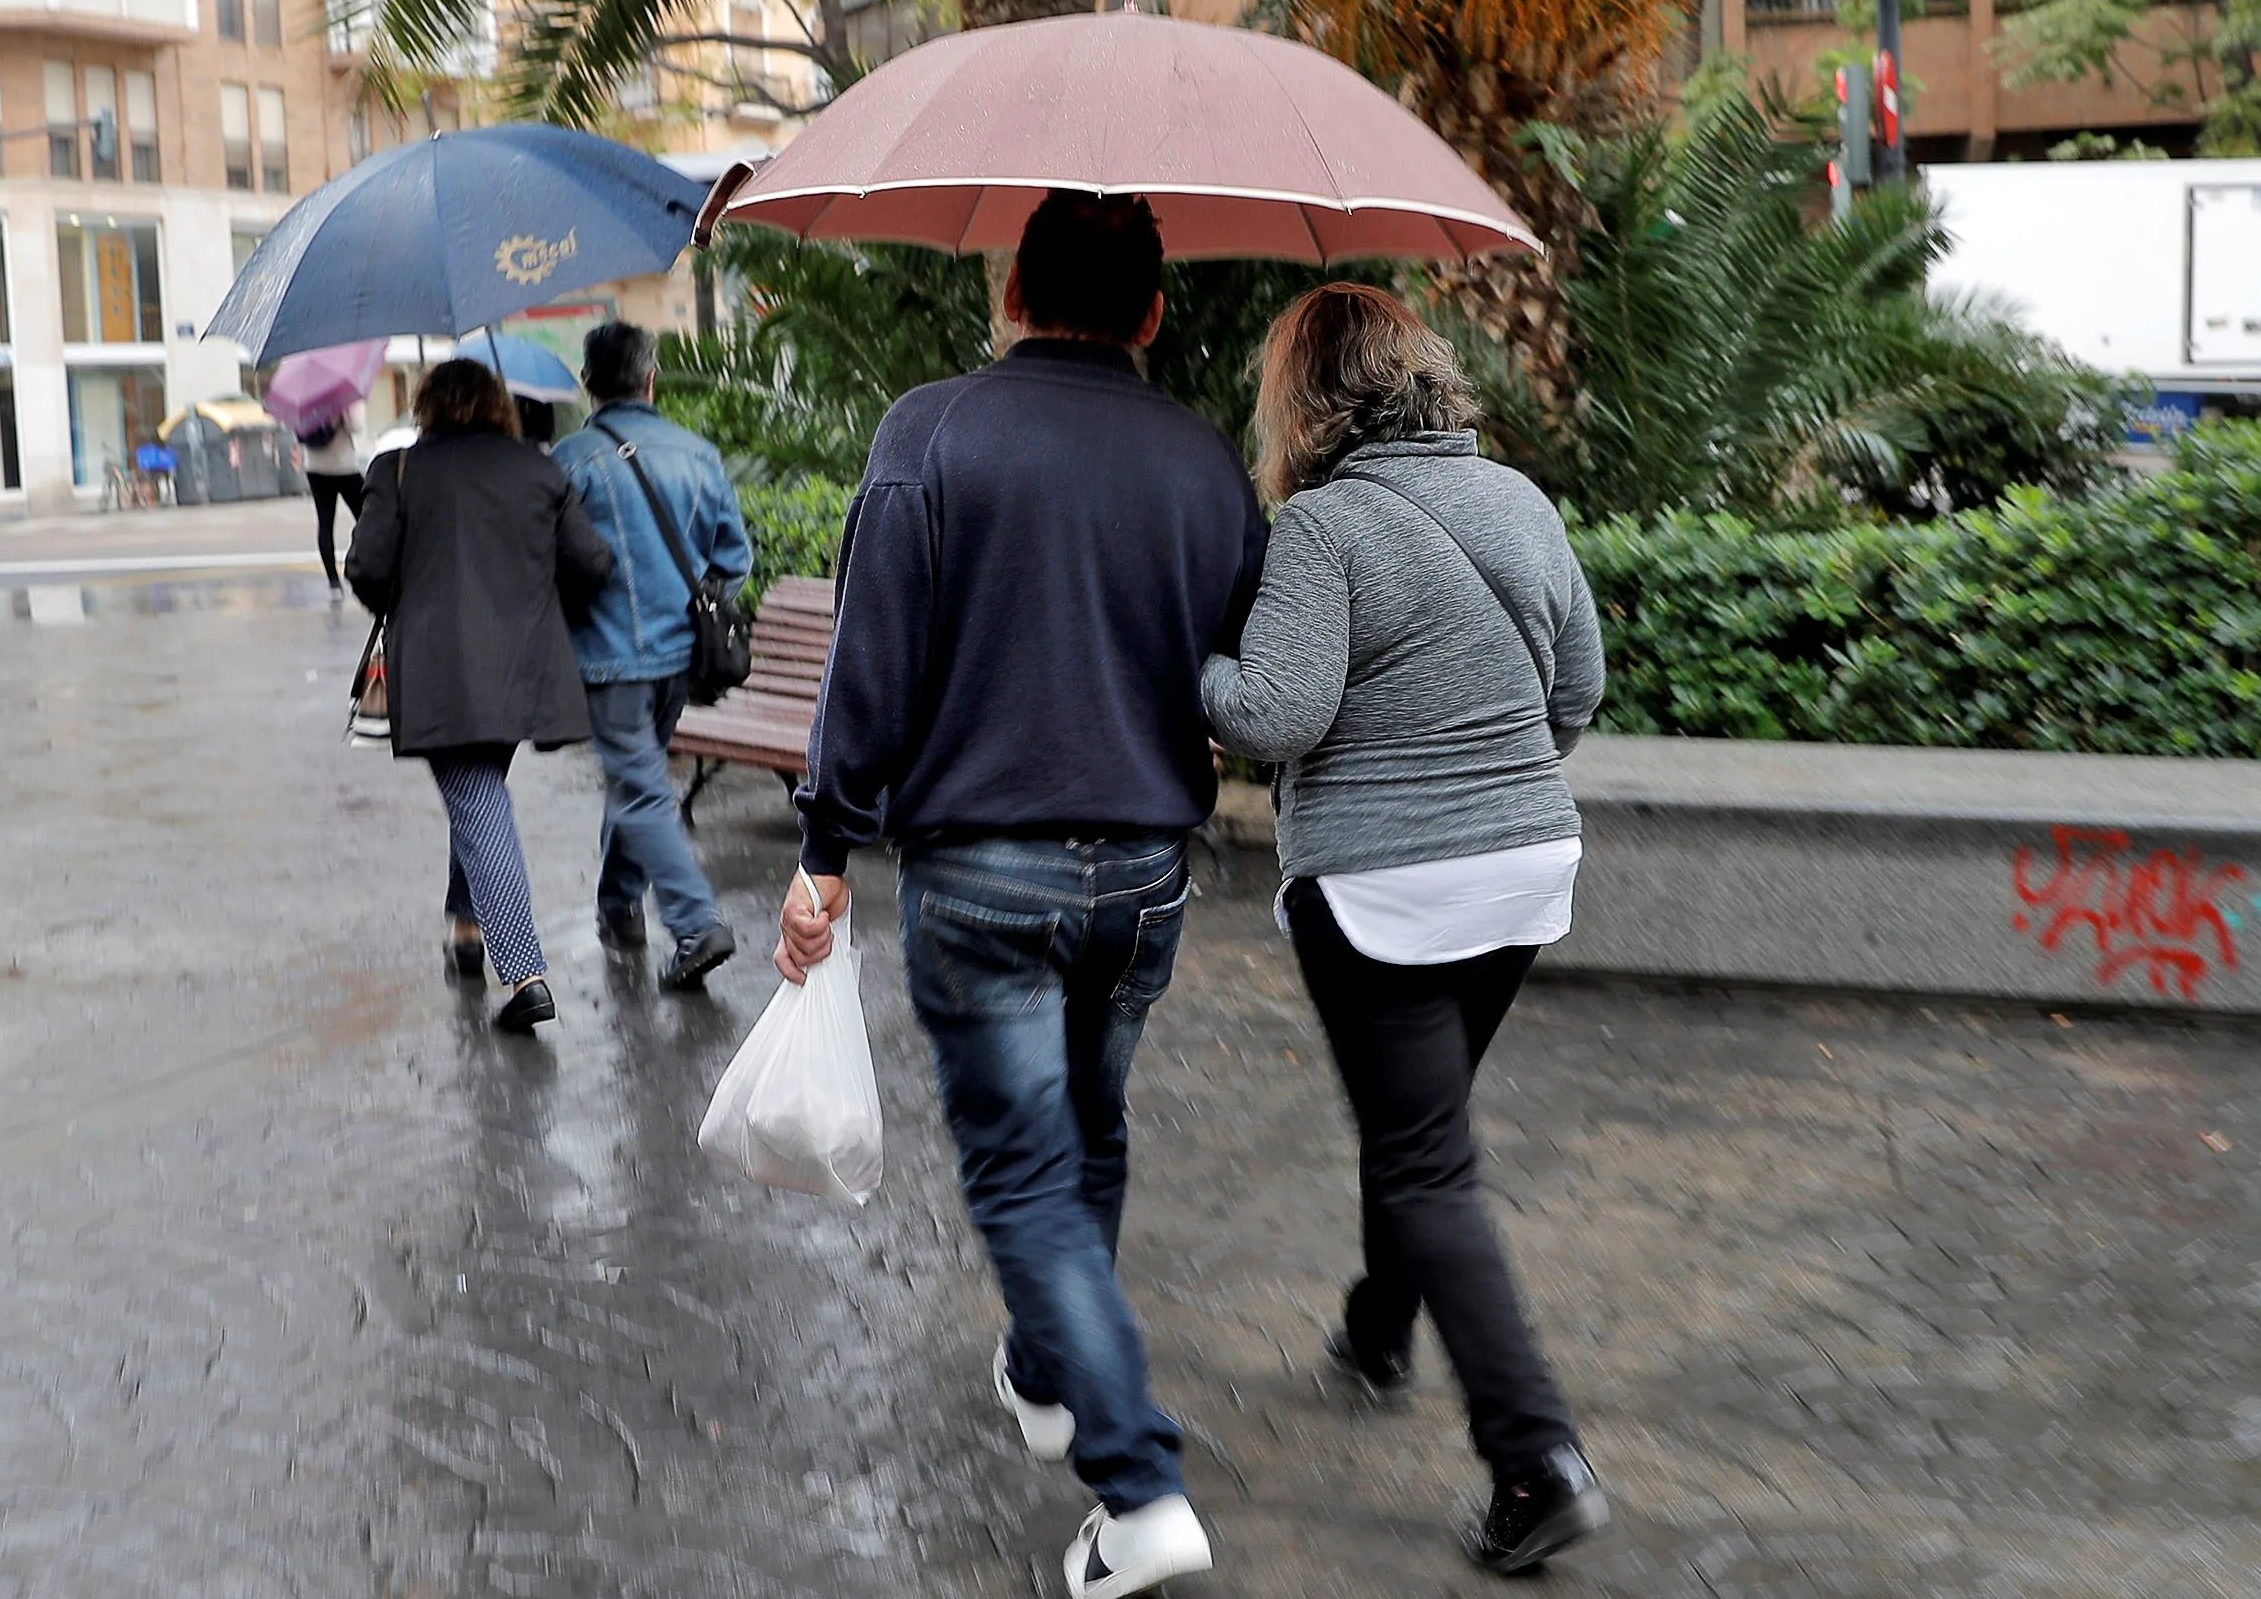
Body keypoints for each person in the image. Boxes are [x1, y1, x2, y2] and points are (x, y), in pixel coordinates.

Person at [778, 191, 1265, 1599]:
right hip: (1147, 875)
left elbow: (869, 664)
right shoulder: (1203, 461)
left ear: (1008, 286)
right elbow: (1234, 663)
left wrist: (823, 854)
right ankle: (1051, 1368)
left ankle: (1137, 1478)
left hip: (985, 872)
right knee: (1089, 1130)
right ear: (1154, 313)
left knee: (1024, 1176)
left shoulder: (930, 433)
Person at [1195, 283, 1612, 1577]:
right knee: (1418, 1120)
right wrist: (1493, 784)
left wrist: (1184, 660)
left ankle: (1535, 1456)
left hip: (1386, 891)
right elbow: (1579, 688)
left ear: (1304, 401)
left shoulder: (1320, 530)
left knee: (1427, 1158)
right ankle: (1380, 1323)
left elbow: (1272, 718)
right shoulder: (1519, 502)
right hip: (1526, 871)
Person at [347, 357, 616, 1033]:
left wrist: (406, 601)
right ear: (499, 403)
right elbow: (591, 563)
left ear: (428, 406)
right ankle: (466, 926)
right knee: (479, 790)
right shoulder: (539, 469)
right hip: (523, 666)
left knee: (477, 798)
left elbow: (367, 568)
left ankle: (525, 972)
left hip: (440, 669)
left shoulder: (398, 471)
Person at [550, 321, 754, 991]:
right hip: (679, 661)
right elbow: (734, 557)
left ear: (588, 384)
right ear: (651, 379)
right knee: (634, 782)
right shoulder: (697, 452)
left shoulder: (569, 460)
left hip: (610, 660)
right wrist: (694, 599)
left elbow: (552, 560)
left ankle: (695, 924)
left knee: (638, 790)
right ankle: (618, 906)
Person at [298, 404, 373, 598]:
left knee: (325, 523)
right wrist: (342, 415)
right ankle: (371, 566)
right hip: (343, 466)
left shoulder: (306, 397)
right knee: (368, 517)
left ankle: (333, 583)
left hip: (314, 466)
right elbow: (356, 427)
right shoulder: (343, 396)